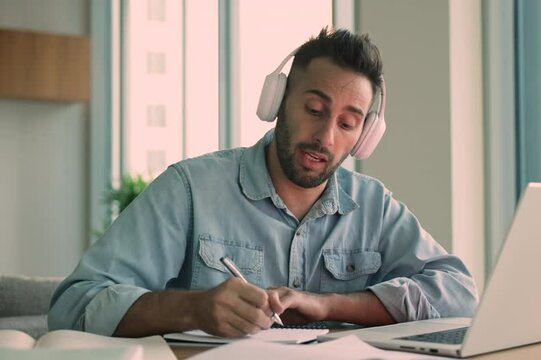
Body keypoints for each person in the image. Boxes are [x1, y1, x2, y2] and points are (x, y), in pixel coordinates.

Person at [48, 27, 478, 338]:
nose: (326, 137)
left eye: (348, 123)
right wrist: (193, 309)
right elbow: (75, 304)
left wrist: (324, 305)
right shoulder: (191, 189)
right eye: (313, 108)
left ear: (364, 137)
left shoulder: (373, 206)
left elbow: (459, 294)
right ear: (278, 101)